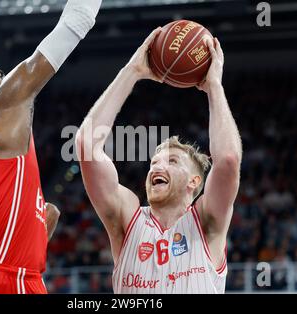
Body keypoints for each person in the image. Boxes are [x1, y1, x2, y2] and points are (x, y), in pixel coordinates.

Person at [0, 0, 102, 294]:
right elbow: (77, 20)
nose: (10, 79)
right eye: (0, 76)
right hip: (10, 279)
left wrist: (34, 229)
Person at [75, 28, 242, 293]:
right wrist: (133, 71)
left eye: (172, 162)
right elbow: (86, 146)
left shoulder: (208, 221)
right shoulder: (127, 217)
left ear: (194, 182)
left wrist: (214, 87)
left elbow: (229, 160)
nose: (157, 167)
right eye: (154, 162)